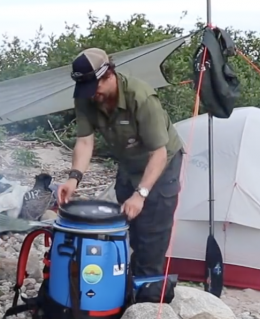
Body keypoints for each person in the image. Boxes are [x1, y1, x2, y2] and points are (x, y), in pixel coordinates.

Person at [56, 47, 185, 280]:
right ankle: (127, 287)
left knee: (151, 237)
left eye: (95, 87)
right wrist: (73, 178)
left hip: (161, 165)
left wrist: (141, 194)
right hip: (128, 163)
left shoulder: (140, 97)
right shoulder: (86, 97)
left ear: (108, 75)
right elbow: (85, 142)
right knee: (127, 227)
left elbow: (159, 153)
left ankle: (148, 299)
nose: (92, 95)